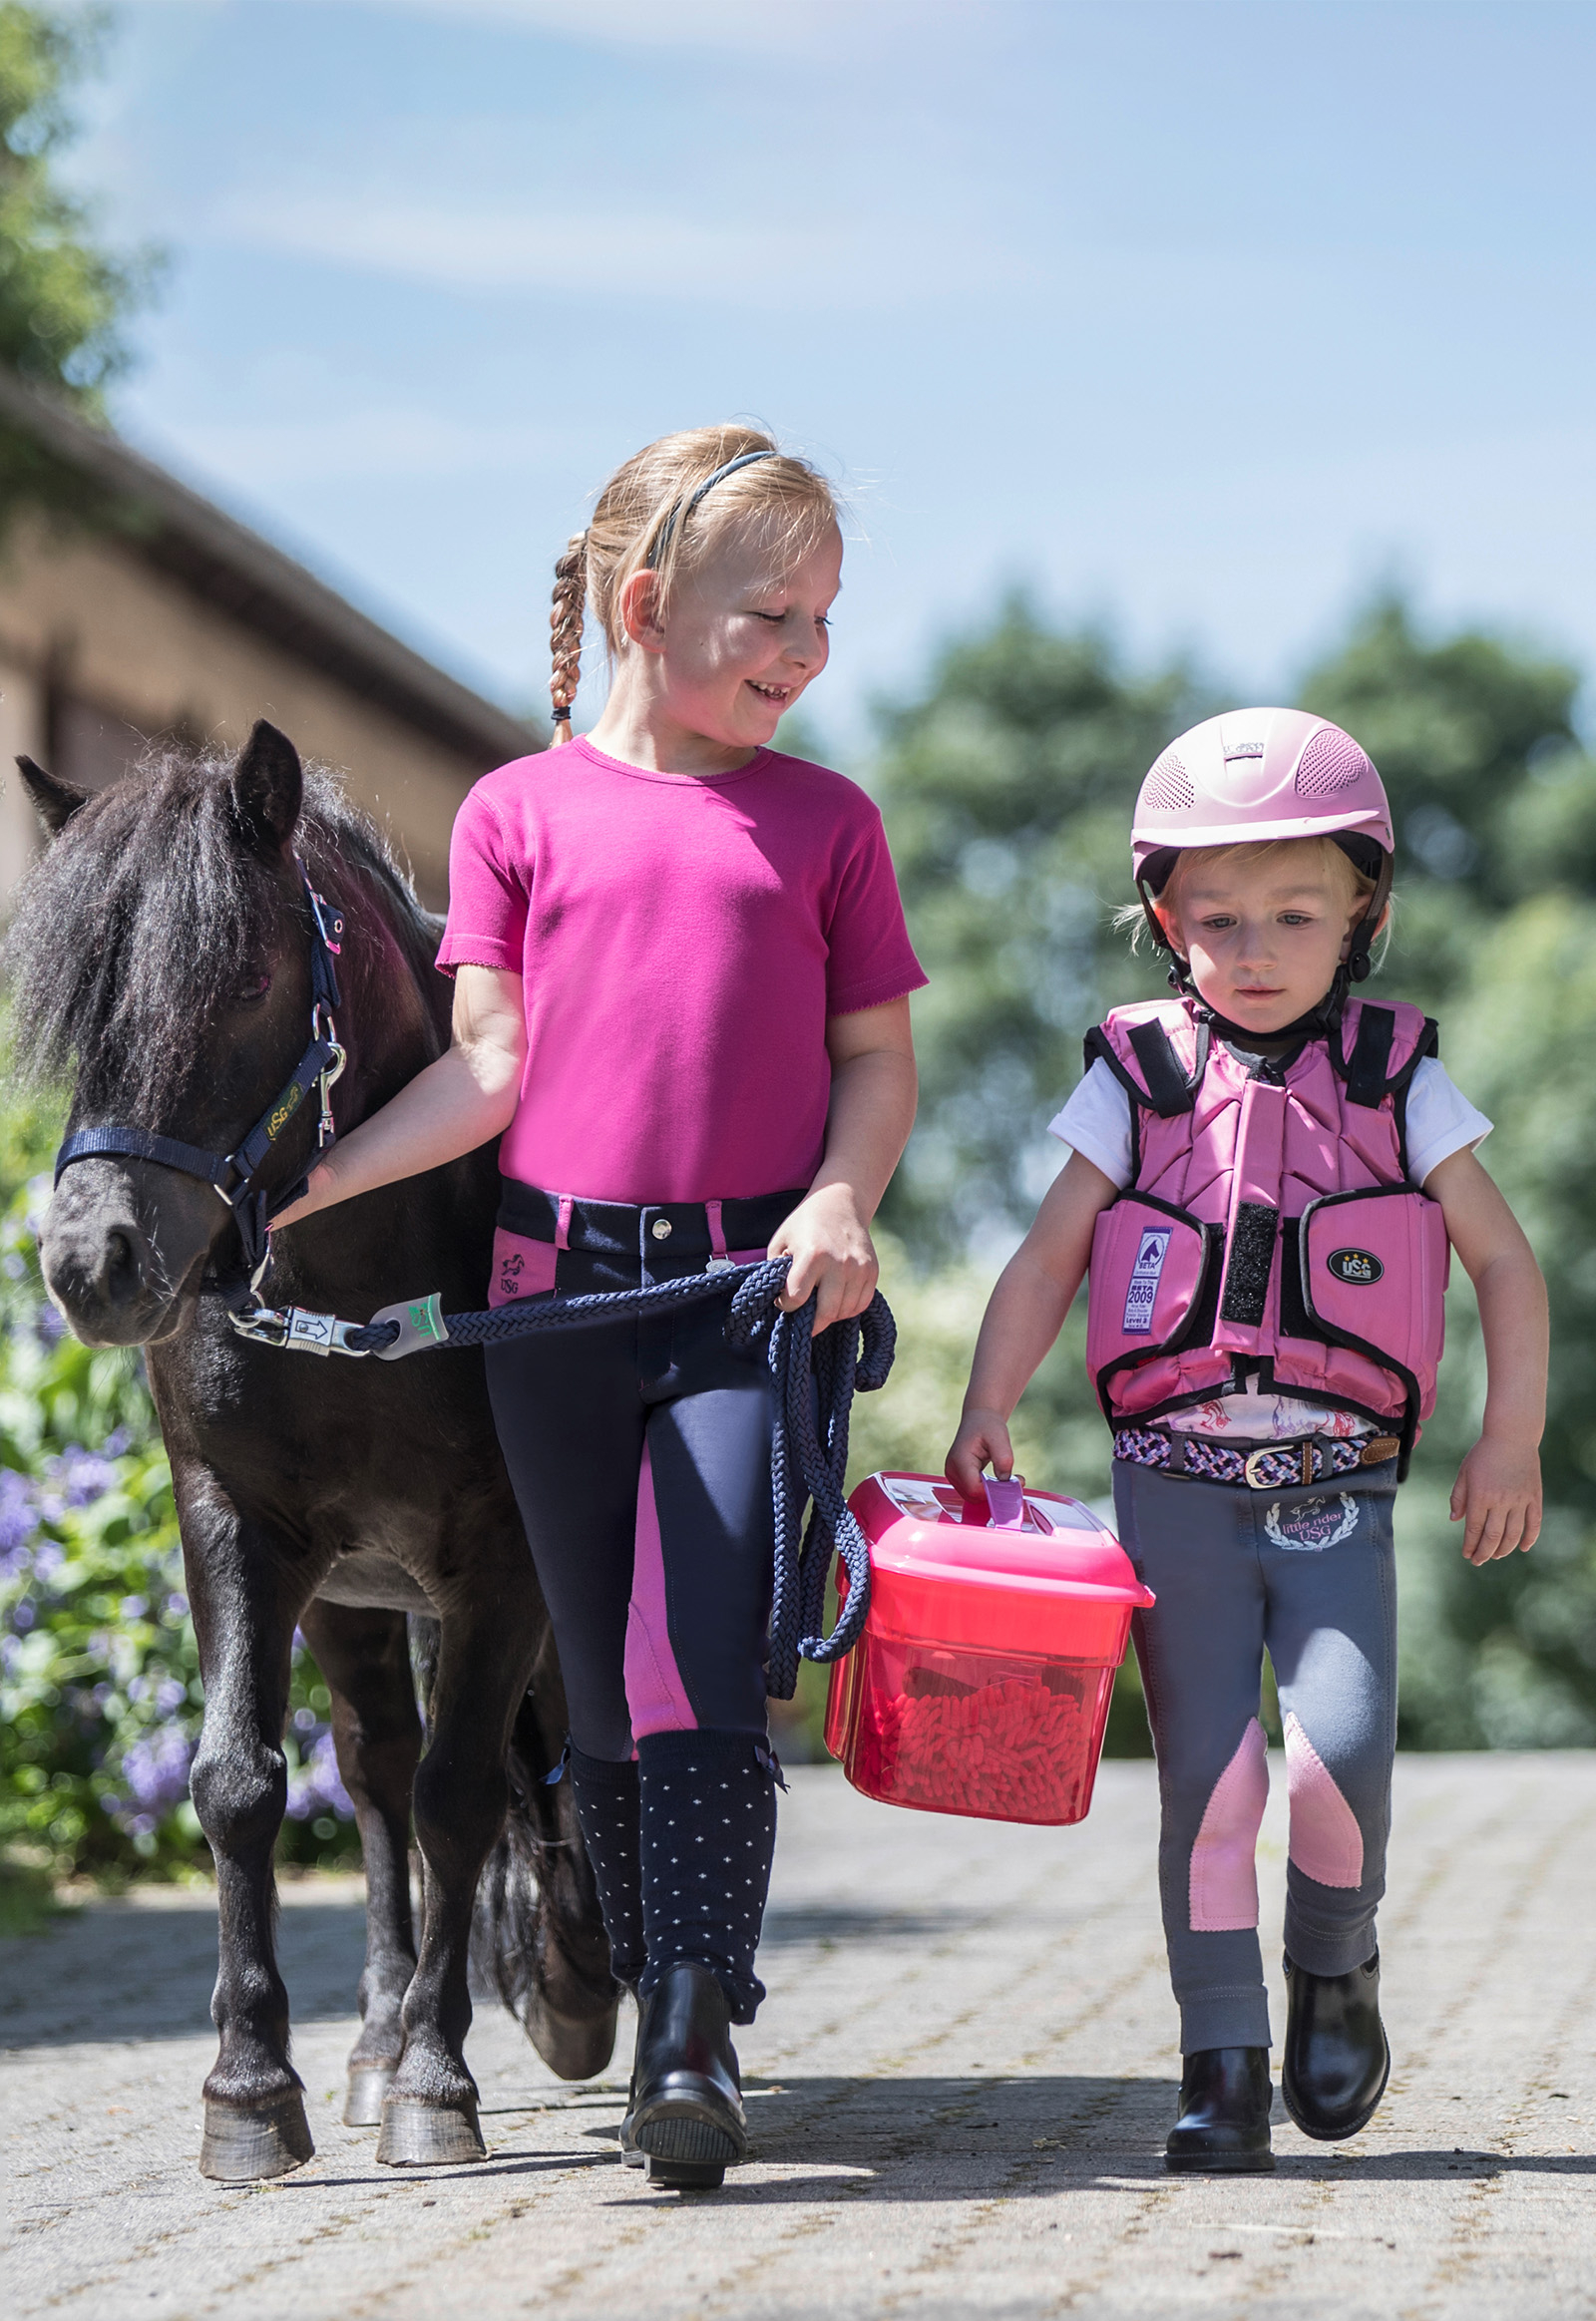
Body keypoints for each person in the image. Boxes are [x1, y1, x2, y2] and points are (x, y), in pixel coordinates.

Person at [271, 427, 924, 2186]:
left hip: (740, 1302)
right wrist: (315, 1182)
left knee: (704, 1655)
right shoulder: (513, 814)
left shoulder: (825, 823)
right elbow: (486, 1073)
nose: (805, 652)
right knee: (604, 1685)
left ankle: (693, 2034)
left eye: (824, 619)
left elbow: (876, 1063)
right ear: (649, 606)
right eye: (771, 614)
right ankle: (656, 1990)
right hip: (551, 1310)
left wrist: (843, 1201)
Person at [945, 707, 1545, 2173]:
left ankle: (1334, 1970)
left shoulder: (1405, 1084)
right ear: (1165, 918)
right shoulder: (1133, 1080)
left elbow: (1507, 1267)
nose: (1256, 946)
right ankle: (1220, 2061)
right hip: (1174, 1490)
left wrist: (1506, 1443)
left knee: (1336, 1765)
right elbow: (1044, 1259)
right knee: (1214, 1788)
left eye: (1297, 912)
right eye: (1217, 919)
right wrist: (986, 1404)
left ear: (1365, 915)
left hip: (1338, 1495)